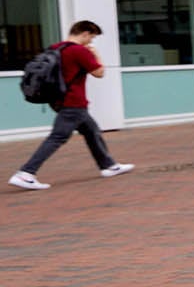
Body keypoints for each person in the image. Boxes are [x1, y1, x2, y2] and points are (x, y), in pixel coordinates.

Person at [10, 21, 134, 190]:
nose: (91, 42)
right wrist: (96, 54)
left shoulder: (55, 48)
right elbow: (99, 73)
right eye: (91, 37)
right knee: (57, 137)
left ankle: (109, 166)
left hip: (59, 100)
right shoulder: (79, 51)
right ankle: (26, 173)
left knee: (92, 131)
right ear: (84, 33)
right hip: (73, 102)